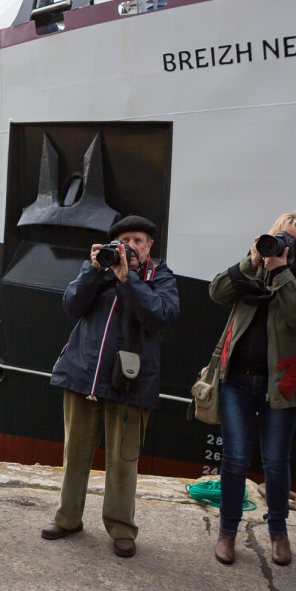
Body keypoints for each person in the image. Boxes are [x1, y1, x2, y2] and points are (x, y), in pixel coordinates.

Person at [41, 215, 179, 557]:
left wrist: (128, 280)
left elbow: (160, 315)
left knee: (122, 459)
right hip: (83, 375)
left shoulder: (160, 277)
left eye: (138, 240)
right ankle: (68, 518)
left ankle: (121, 528)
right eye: (124, 240)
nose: (130, 246)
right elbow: (72, 304)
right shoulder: (99, 269)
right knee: (75, 454)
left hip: (130, 383)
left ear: (149, 247)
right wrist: (93, 270)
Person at [207, 211, 296, 566]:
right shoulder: (252, 270)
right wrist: (253, 261)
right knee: (235, 459)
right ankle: (227, 532)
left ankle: (278, 532)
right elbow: (217, 291)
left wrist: (282, 272)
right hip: (237, 381)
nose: (289, 244)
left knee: (276, 462)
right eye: (282, 236)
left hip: (282, 384)